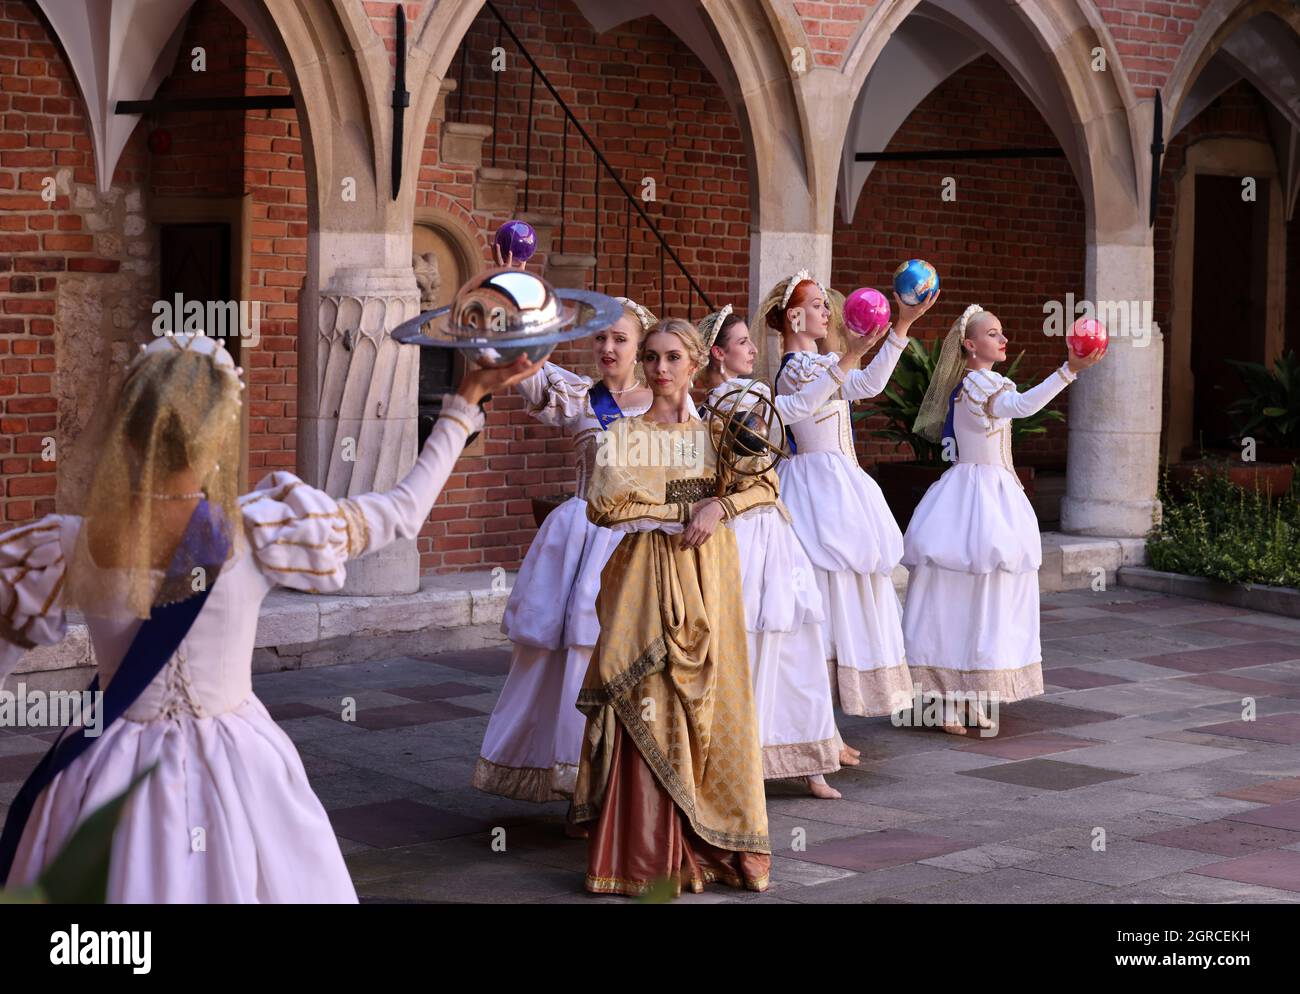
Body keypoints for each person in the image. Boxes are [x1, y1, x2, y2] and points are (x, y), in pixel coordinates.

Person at [0, 333, 538, 902]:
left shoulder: (64, 545)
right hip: (236, 761)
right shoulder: (259, 532)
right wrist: (465, 400)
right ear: (219, 433)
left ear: (128, 430)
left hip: (104, 765)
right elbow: (403, 512)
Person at [569, 318, 775, 897]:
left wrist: (719, 509)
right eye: (652, 357)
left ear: (694, 363)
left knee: (715, 703)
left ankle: (716, 843)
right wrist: (686, 507)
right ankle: (650, 858)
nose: (660, 369)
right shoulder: (626, 434)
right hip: (645, 582)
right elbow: (606, 503)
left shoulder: (719, 430)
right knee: (649, 697)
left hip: (710, 577)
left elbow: (765, 484)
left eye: (673, 358)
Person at [473, 298, 656, 805]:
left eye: (620, 338)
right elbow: (514, 363)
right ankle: (578, 780)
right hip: (580, 539)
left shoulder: (667, 402)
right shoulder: (577, 396)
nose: (608, 347)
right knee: (570, 656)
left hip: (638, 545)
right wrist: (516, 295)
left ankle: (626, 785)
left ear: (641, 345)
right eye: (600, 338)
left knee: (630, 661)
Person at [697, 305, 881, 797]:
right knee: (751, 640)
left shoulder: (757, 392)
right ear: (718, 354)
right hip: (740, 531)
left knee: (798, 635)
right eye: (741, 344)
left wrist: (852, 361)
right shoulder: (715, 407)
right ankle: (740, 757)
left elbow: (792, 413)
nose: (753, 349)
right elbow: (791, 415)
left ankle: (809, 757)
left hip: (774, 528)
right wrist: (847, 363)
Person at [902, 305, 1101, 732]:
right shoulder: (977, 384)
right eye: (993, 333)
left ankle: (973, 688)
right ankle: (944, 697)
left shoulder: (982, 382)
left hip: (991, 493)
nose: (1003, 339)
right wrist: (1069, 369)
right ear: (970, 345)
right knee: (961, 594)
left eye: (1002, 331)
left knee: (985, 597)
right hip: (974, 500)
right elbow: (1023, 406)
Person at [767, 271, 938, 718]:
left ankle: (830, 715)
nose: (829, 312)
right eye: (819, 305)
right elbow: (811, 398)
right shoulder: (797, 368)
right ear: (794, 316)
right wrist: (852, 354)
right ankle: (815, 717)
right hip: (813, 487)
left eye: (827, 304)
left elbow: (866, 386)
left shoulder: (823, 363)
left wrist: (901, 327)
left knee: (849, 585)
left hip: (839, 480)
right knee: (825, 587)